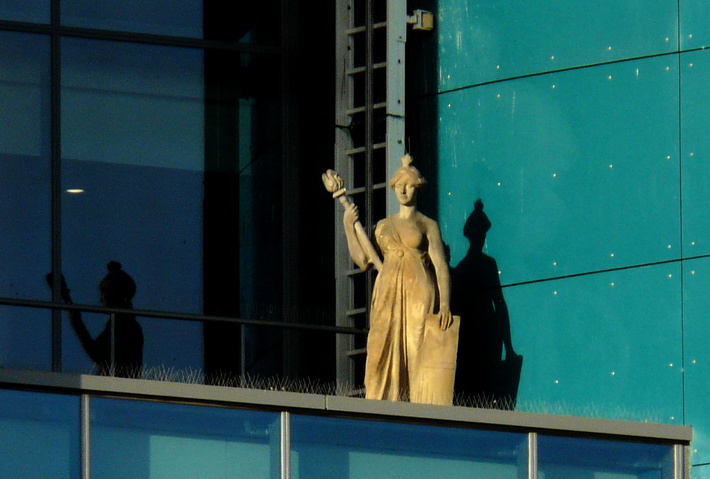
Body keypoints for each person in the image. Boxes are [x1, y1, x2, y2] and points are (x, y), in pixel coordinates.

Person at [343, 154, 452, 402]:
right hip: (387, 290)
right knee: (379, 347)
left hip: (419, 290)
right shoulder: (383, 225)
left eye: (409, 185)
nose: (403, 190)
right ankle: (379, 403)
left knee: (417, 348)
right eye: (399, 185)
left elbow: (440, 266)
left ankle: (417, 404)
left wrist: (445, 303)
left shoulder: (428, 225)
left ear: (418, 188)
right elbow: (363, 260)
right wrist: (349, 227)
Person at [52, 261, 143, 377]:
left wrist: (77, 322)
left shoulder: (124, 324)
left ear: (114, 294)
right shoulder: (125, 323)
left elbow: (97, 354)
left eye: (103, 293)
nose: (101, 300)